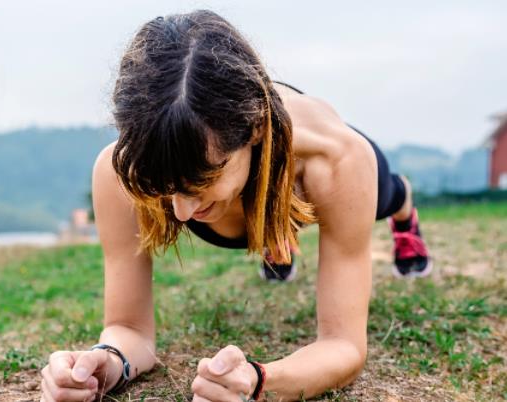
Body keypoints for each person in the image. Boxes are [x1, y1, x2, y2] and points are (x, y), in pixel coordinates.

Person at [40, 9, 431, 402]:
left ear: (256, 129)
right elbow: (128, 329)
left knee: (388, 196)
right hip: (258, 184)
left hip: (299, 165)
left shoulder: (336, 159)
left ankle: (399, 212)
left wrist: (259, 380)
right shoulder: (120, 172)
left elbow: (344, 347)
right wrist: (105, 363)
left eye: (201, 181)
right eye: (164, 187)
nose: (180, 212)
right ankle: (274, 233)